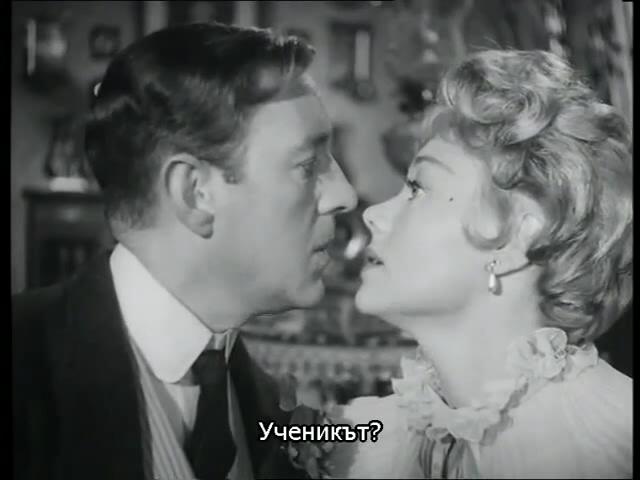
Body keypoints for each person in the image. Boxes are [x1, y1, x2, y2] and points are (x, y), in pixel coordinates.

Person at [13, 22, 357, 480]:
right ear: (194, 193)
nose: (345, 195)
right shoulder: (24, 370)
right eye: (308, 165)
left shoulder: (269, 404)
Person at [329, 49, 632, 478]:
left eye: (417, 188)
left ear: (519, 238)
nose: (373, 214)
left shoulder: (602, 449)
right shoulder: (384, 431)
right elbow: (269, 432)